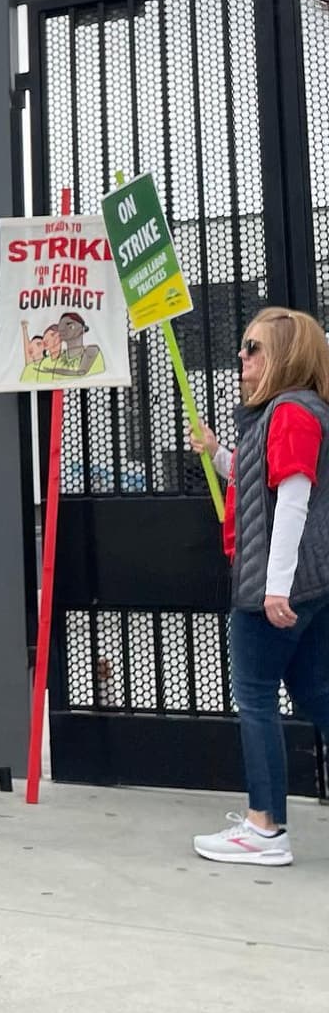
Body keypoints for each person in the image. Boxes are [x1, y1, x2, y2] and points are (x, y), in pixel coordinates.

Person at [189, 307, 329, 868]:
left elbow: (293, 499)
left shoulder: (291, 412)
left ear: (284, 357)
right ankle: (264, 824)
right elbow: (259, 482)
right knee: (316, 691)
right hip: (303, 584)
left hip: (275, 587)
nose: (242, 358)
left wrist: (275, 587)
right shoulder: (283, 414)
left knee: (254, 698)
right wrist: (217, 452)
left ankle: (264, 827)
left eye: (253, 348)